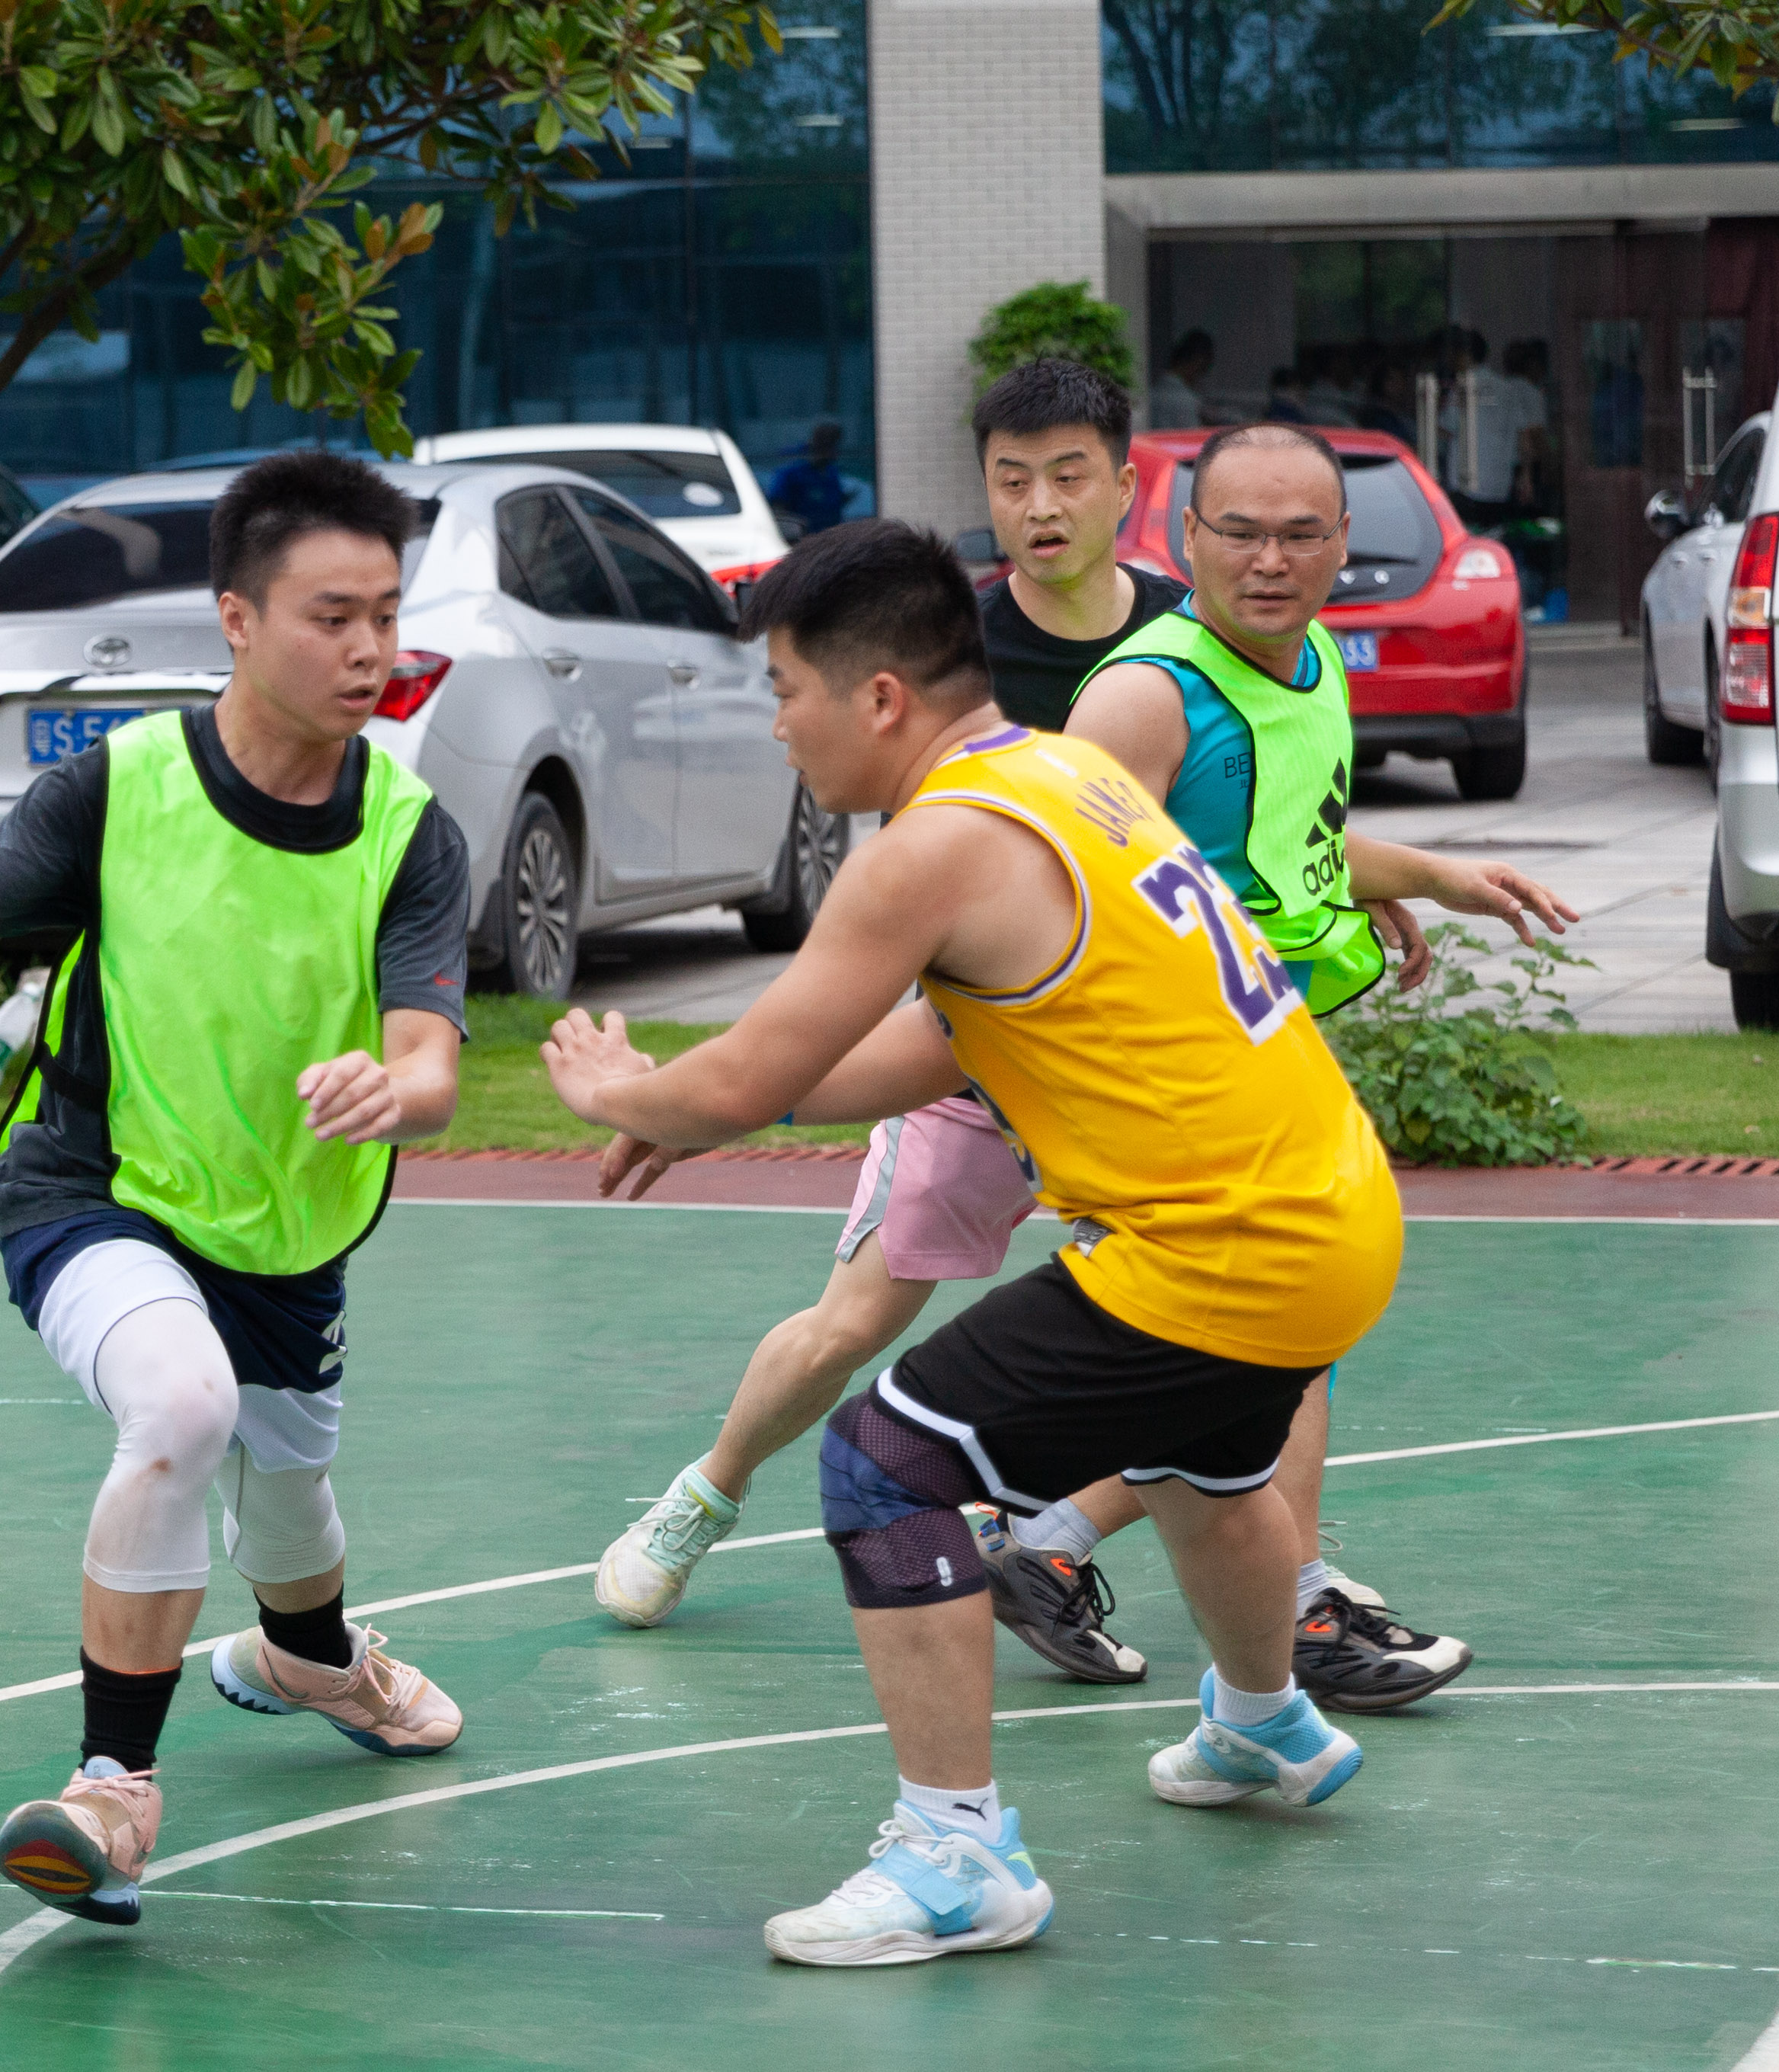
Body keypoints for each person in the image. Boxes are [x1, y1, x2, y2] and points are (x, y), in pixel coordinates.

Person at [593, 395, 1580, 1714]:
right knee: (867, 1330)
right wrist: (719, 1096)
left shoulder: (1242, 661)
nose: (1041, 504)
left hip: (1137, 1091)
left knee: (1214, 1352)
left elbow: (1241, 847)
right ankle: (714, 1493)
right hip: (1011, 1058)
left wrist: (1398, 877)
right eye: (1013, 478)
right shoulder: (1062, 680)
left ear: (1125, 492)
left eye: (1068, 474)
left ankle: (1226, 1628)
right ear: (1187, 526)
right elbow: (1045, 920)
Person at [541, 519, 1407, 1966]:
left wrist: (625, 1091)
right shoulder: (1062, 774)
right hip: (1332, 1213)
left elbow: (746, 1073)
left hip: (1216, 1244)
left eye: (785, 690)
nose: (777, 725)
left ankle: (956, 1855)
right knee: (1197, 1461)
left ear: (879, 696)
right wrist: (721, 1103)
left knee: (884, 1463)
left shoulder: (933, 843)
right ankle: (1261, 1719)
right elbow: (940, 1040)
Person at [0, 450, 477, 1929]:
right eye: (331, 616)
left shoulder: (406, 832)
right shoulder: (118, 789)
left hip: (285, 1226)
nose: (368, 649)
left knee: (288, 1503)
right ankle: (110, 1791)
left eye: (385, 616)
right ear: (236, 619)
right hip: (91, 1186)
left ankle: (313, 1657)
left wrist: (396, 1088)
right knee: (182, 1406)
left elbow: (431, 1058)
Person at [768, 418, 852, 536]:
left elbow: (832, 499)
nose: (836, 452)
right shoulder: (791, 470)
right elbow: (778, 507)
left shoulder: (830, 470)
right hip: (802, 537)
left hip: (831, 535)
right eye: (831, 446)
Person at [1147, 329, 1215, 429]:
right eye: (1203, 368)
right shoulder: (1185, 400)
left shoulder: (1152, 392)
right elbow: (1193, 436)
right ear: (1198, 361)